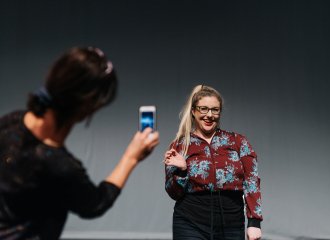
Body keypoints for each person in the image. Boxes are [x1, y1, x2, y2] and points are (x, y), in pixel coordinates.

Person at [0, 47, 159, 240]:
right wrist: (131, 157)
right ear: (86, 108)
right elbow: (94, 204)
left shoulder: (9, 122)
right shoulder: (59, 166)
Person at [164, 85, 262, 240]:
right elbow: (173, 192)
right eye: (203, 109)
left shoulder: (238, 141)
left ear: (220, 112)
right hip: (190, 223)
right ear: (193, 111)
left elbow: (252, 182)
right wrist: (182, 170)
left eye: (214, 110)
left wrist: (254, 222)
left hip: (231, 224)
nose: (209, 115)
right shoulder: (180, 145)